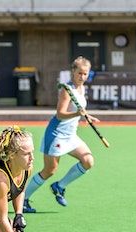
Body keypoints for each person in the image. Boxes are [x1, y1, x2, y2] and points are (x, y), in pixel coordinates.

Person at [23, 56, 100, 213]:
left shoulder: (81, 88)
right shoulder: (67, 89)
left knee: (88, 160)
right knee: (49, 170)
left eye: (86, 74)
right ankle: (23, 199)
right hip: (56, 134)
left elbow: (78, 110)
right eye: (80, 73)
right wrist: (76, 113)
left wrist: (86, 116)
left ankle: (59, 186)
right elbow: (60, 114)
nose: (82, 77)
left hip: (71, 135)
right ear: (73, 71)